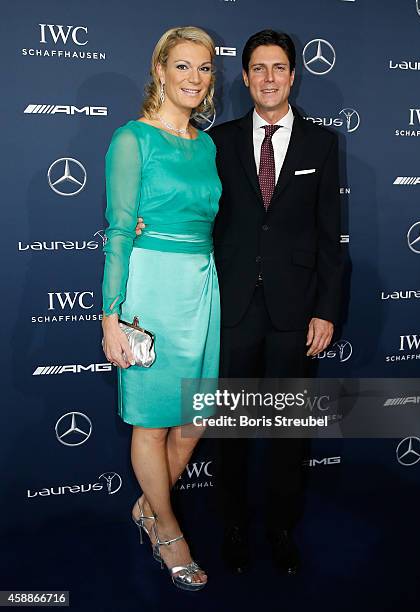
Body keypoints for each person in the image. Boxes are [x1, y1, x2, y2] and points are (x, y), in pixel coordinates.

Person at [136, 29, 342, 575]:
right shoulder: (216, 141)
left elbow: (330, 236)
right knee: (226, 430)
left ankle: (280, 531)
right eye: (257, 68)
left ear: (293, 76)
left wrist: (325, 310)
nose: (268, 78)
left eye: (279, 68)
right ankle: (231, 527)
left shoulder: (322, 143)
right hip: (225, 309)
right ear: (245, 77)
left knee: (285, 434)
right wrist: (143, 222)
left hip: (294, 314)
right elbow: (188, 203)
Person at [101, 26, 221, 591]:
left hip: (202, 285)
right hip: (150, 286)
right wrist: (110, 317)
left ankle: (148, 507)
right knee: (152, 421)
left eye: (204, 68)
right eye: (183, 66)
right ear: (159, 71)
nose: (194, 78)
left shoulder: (208, 144)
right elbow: (120, 232)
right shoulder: (132, 139)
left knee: (195, 420)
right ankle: (168, 530)